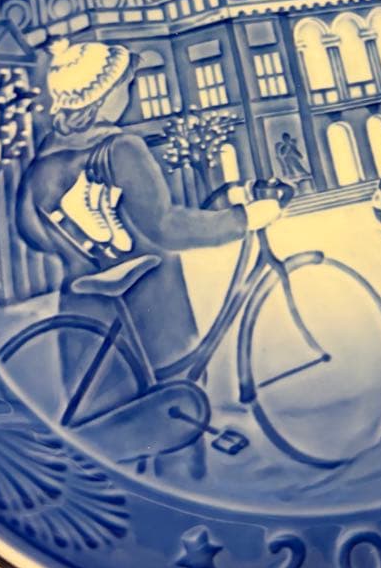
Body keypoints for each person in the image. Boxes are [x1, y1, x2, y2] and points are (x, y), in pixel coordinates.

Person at [17, 38, 280, 401]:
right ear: (103, 95)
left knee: (102, 411)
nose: (129, 94)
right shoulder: (120, 149)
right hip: (150, 310)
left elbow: (30, 231)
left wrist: (80, 252)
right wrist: (242, 219)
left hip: (84, 314)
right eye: (125, 85)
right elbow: (165, 226)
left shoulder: (42, 164)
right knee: (174, 408)